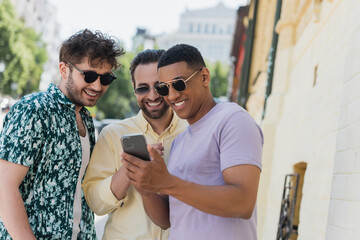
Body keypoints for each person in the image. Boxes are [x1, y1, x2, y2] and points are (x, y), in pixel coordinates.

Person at [121, 44, 264, 240]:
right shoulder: (181, 141)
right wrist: (146, 189)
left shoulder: (233, 120)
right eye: (164, 88)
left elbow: (243, 203)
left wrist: (168, 183)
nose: (172, 95)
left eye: (179, 84)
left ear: (204, 77)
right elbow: (167, 219)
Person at [0, 29, 124, 239]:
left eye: (106, 79)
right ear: (64, 70)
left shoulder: (85, 118)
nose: (97, 86)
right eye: (90, 75)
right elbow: (4, 186)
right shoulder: (34, 109)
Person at [82, 49, 187, 240]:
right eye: (143, 88)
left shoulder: (193, 132)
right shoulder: (113, 134)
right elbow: (96, 204)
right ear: (133, 88)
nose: (152, 96)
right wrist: (129, 168)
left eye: (159, 86)